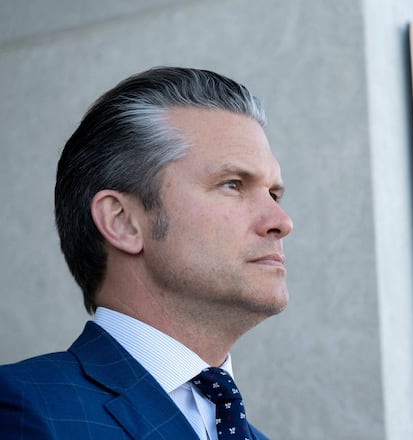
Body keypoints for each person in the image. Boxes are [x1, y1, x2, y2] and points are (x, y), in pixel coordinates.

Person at [0, 67, 292, 439]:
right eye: (232, 184)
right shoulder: (29, 408)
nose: (281, 221)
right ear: (123, 222)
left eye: (274, 194)